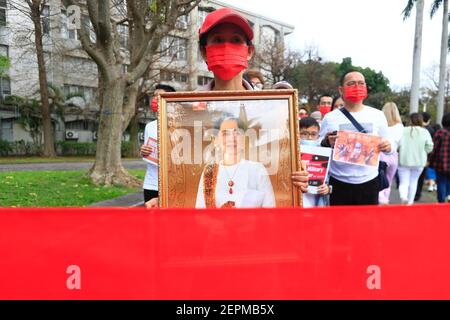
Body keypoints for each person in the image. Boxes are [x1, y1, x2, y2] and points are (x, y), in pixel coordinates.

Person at [145, 7, 308, 208]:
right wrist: (165, 199)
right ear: (204, 51)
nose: (227, 47)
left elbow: (273, 209)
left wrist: (296, 178)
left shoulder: (271, 109)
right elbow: (188, 200)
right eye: (218, 40)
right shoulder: (183, 111)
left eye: (236, 40)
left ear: (249, 51)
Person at [319, 70, 392, 206]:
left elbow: (391, 148)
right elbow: (319, 149)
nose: (357, 87)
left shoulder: (377, 115)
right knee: (340, 225)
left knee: (366, 225)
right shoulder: (330, 118)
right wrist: (327, 142)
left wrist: (388, 146)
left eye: (361, 83)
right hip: (339, 183)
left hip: (369, 182)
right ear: (341, 90)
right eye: (351, 83)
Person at [195, 117, 276, 208]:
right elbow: (200, 213)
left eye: (237, 133)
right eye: (225, 134)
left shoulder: (257, 169)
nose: (231, 138)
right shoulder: (209, 173)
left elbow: (270, 211)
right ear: (216, 140)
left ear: (244, 138)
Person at [141, 84, 175, 205]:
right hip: (151, 184)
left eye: (159, 96)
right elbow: (147, 153)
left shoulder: (181, 125)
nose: (155, 99)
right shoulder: (149, 126)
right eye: (154, 96)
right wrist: (144, 151)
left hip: (173, 184)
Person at [397, 113, 434, 205]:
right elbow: (430, 147)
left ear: (410, 120)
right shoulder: (425, 132)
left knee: (403, 182)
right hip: (419, 162)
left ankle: (403, 197)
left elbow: (397, 144)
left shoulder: (403, 130)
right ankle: (410, 203)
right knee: (414, 182)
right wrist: (423, 151)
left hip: (404, 160)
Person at [299, 117, 330, 207]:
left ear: (318, 136)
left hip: (318, 202)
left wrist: (327, 189)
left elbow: (330, 179)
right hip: (298, 200)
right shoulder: (290, 153)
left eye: (313, 134)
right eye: (304, 134)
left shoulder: (325, 154)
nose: (309, 138)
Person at [378, 102, 404, 204]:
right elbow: (401, 143)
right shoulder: (400, 127)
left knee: (379, 178)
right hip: (393, 156)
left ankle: (380, 198)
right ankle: (385, 199)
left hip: (380, 155)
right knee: (389, 180)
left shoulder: (381, 125)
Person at [428, 112, 450, 203]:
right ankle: (447, 195)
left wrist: (430, 161)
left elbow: (434, 149)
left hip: (441, 162)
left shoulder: (440, 133)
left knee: (441, 182)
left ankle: (441, 201)